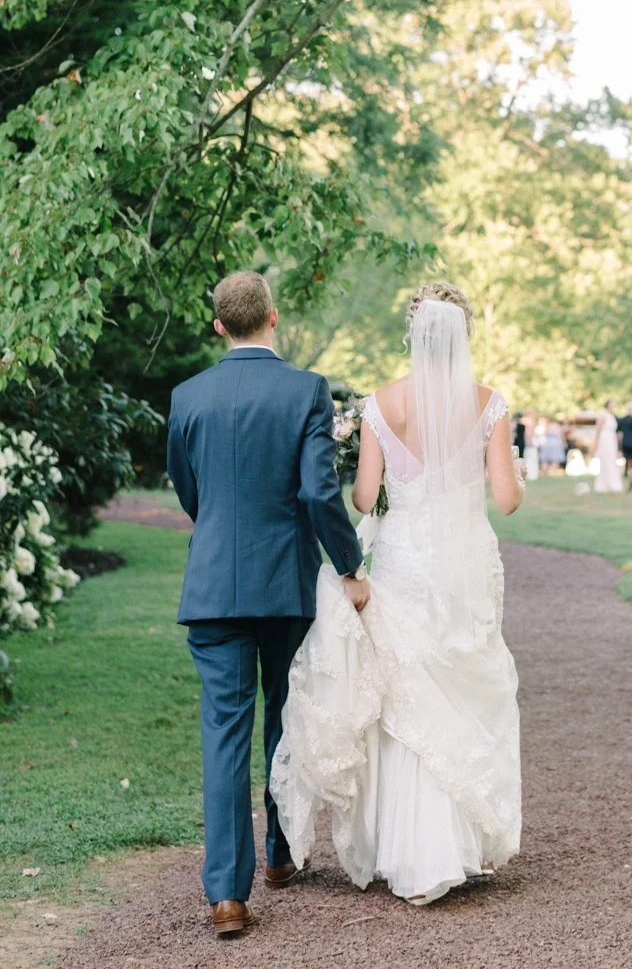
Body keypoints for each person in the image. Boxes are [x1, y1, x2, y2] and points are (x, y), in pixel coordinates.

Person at [272, 281, 524, 905]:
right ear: (462, 336)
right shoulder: (489, 404)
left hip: (406, 561)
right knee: (459, 692)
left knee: (404, 695)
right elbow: (509, 500)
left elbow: (362, 498)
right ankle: (453, 847)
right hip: (463, 566)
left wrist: (380, 471)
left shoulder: (381, 406)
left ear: (412, 335)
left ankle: (404, 851)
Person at [167, 271, 369, 939]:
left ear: (219, 324)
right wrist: (349, 565)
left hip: (214, 585)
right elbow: (318, 493)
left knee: (224, 735)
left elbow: (190, 490)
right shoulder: (305, 390)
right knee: (286, 716)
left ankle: (227, 894)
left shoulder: (187, 396)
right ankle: (281, 856)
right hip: (285, 583)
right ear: (273, 318)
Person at [592, 399, 624, 492]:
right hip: (605, 439)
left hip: (612, 439)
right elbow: (598, 429)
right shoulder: (603, 414)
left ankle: (612, 484)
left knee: (612, 460)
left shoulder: (612, 416)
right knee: (606, 460)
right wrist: (596, 443)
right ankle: (604, 485)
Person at [617, 403, 632, 488]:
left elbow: (619, 431)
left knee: (626, 458)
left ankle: (626, 473)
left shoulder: (622, 420)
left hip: (625, 441)